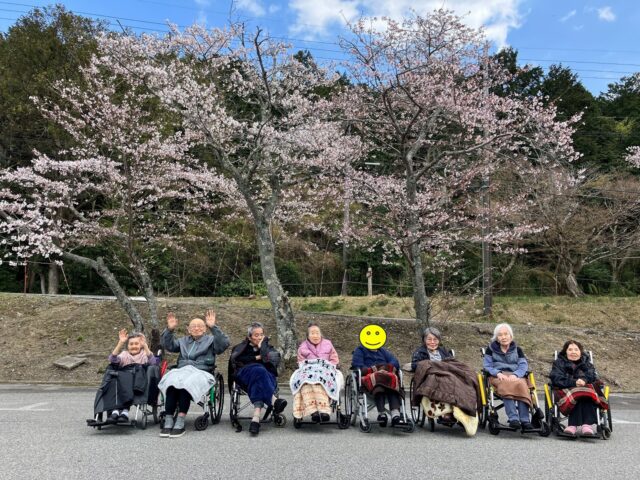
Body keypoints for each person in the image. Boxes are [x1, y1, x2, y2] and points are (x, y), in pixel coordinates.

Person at [158, 309, 229, 438]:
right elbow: (168, 345)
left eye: (200, 326)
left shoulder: (211, 340)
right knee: (171, 382)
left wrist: (213, 327)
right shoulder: (183, 341)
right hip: (182, 369)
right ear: (188, 330)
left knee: (186, 383)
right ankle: (168, 419)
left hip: (201, 371)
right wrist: (169, 330)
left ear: (205, 329)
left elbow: (224, 344)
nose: (197, 328)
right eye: (193, 326)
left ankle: (180, 420)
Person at [410, 327, 478, 435]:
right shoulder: (420, 352)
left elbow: (452, 363)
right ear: (424, 340)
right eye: (429, 339)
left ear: (439, 340)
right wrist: (430, 365)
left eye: (435, 339)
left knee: (464, 378)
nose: (432, 342)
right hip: (431, 376)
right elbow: (415, 366)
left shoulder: (443, 351)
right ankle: (447, 413)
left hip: (447, 374)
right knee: (446, 381)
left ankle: (462, 410)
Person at [230, 322, 287, 435]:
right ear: (249, 337)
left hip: (265, 377)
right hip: (246, 374)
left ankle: (256, 418)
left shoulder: (268, 347)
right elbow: (237, 359)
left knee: (259, 378)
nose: (259, 337)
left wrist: (262, 347)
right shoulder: (241, 348)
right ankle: (274, 401)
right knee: (259, 370)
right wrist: (257, 357)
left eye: (261, 335)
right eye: (256, 335)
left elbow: (274, 359)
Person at [549, 340, 608, 436]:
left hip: (585, 387)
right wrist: (574, 382)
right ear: (565, 352)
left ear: (580, 352)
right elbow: (556, 378)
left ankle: (586, 426)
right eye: (570, 349)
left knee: (586, 393)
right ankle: (573, 425)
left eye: (576, 350)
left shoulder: (587, 363)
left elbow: (592, 375)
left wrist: (584, 380)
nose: (573, 352)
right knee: (577, 393)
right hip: (566, 388)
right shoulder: (559, 363)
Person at [483, 323, 533, 430]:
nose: (503, 337)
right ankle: (513, 419)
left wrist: (516, 374)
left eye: (506, 334)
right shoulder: (491, 349)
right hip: (498, 376)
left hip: (516, 376)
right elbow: (487, 366)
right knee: (505, 384)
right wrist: (497, 373)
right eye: (500, 335)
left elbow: (523, 365)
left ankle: (525, 420)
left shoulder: (517, 349)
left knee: (522, 385)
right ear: (497, 338)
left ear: (511, 336)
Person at [290, 322, 342, 423]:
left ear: (320, 334)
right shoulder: (302, 347)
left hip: (325, 370)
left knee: (320, 379)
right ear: (308, 335)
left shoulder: (328, 344)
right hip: (308, 370)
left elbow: (334, 359)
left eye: (317, 333)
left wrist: (329, 366)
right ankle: (313, 411)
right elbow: (301, 362)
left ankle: (323, 411)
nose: (315, 335)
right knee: (305, 381)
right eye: (312, 333)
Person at [105, 329, 159, 423]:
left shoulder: (144, 355)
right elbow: (112, 359)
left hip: (137, 385)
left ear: (141, 345)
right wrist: (120, 343)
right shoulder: (124, 354)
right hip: (122, 383)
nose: (134, 346)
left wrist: (145, 346)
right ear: (128, 346)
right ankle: (115, 411)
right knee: (114, 379)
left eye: (136, 344)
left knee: (128, 380)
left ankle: (124, 412)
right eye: (131, 344)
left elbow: (153, 362)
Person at [351, 339, 403, 426]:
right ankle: (382, 413)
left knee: (392, 381)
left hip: (385, 375)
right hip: (370, 376)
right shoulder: (360, 350)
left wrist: (386, 367)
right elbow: (358, 365)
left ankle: (395, 415)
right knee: (378, 381)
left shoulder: (382, 351)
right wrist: (375, 369)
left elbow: (395, 362)